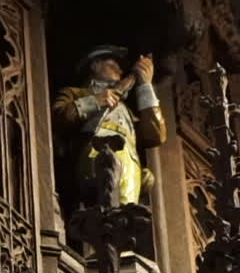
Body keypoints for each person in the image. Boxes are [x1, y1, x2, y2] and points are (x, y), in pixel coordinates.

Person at [52, 45, 167, 210]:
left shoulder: (126, 111)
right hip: (95, 158)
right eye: (113, 65)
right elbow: (58, 116)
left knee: (125, 216)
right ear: (95, 65)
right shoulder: (76, 93)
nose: (120, 71)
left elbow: (156, 135)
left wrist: (145, 86)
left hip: (129, 166)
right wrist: (95, 101)